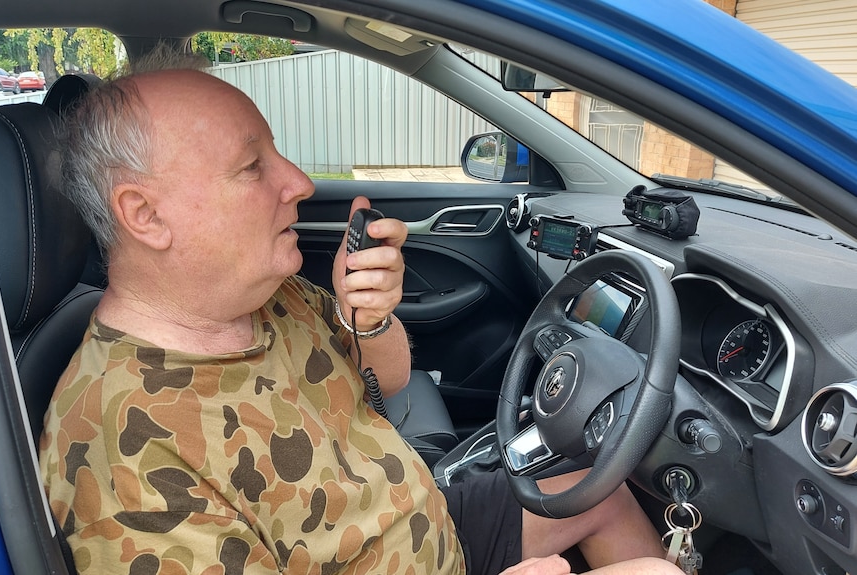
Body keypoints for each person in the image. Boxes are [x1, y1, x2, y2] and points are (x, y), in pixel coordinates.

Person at [38, 45, 683, 575]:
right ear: (145, 215)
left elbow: (391, 380)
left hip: (420, 521)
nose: (299, 183)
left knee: (596, 485)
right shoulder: (122, 454)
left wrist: (368, 317)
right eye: (252, 166)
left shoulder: (266, 294)